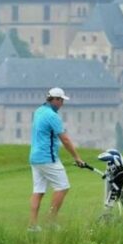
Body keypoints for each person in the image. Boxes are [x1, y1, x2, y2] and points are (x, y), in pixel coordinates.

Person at [28, 87, 85, 231]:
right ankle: (50, 221)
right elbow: (65, 139)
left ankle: (33, 225)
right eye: (61, 100)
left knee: (38, 190)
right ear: (55, 100)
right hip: (48, 158)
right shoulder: (53, 116)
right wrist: (77, 157)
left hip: (35, 157)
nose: (62, 104)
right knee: (63, 186)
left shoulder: (39, 111)